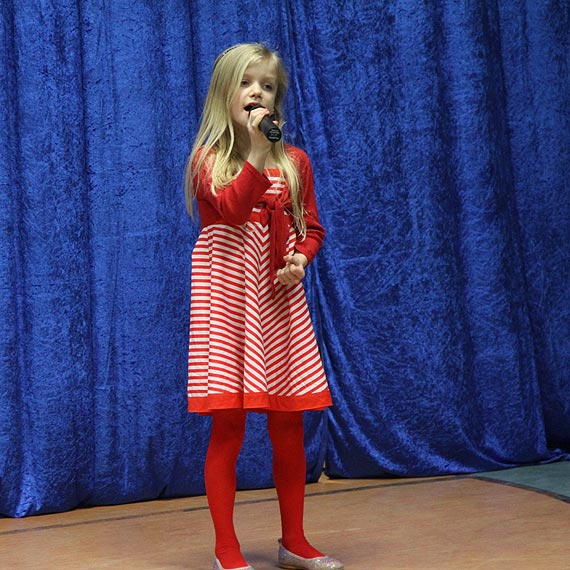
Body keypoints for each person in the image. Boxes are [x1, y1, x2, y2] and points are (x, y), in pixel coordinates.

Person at [185, 43, 343, 570]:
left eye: (268, 86)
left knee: (288, 423)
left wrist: (300, 259)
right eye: (247, 83)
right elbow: (232, 210)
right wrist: (255, 151)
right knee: (228, 426)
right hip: (228, 303)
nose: (258, 93)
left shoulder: (295, 162)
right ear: (223, 94)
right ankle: (226, 550)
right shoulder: (209, 160)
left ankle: (293, 540)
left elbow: (311, 227)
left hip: (277, 303)